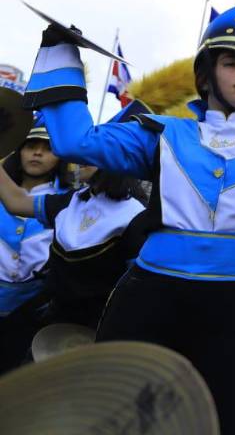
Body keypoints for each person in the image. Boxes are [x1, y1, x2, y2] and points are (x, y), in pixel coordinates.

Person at [20, 0, 235, 435]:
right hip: (149, 297)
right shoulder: (162, 133)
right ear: (206, 73)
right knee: (115, 417)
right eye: (233, 62)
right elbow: (74, 142)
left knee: (216, 423)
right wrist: (64, 52)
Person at [0, 106, 148, 330]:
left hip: (91, 334)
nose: (83, 154)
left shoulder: (137, 215)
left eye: (98, 148)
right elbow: (16, 202)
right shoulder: (71, 201)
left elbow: (135, 292)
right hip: (45, 326)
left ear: (120, 158)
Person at [0, 121, 68, 372]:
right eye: (30, 146)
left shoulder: (68, 201)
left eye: (47, 148)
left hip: (30, 311)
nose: (37, 153)